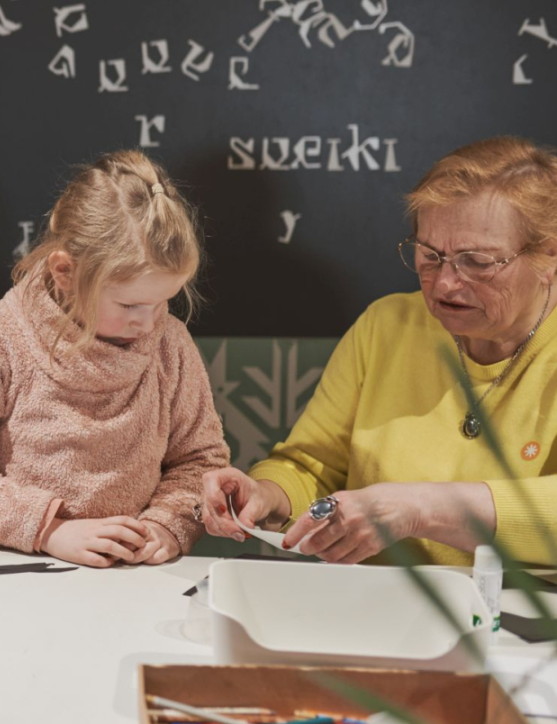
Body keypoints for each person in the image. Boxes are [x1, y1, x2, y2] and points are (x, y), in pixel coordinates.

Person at [202, 137, 557, 567]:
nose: (444, 283)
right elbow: (311, 467)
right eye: (429, 255)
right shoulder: (386, 327)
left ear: (549, 256)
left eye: (477, 261)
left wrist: (420, 509)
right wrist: (266, 496)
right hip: (374, 608)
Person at [0, 151, 230, 568]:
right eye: (130, 304)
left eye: (163, 302)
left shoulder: (170, 344)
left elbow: (200, 460)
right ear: (66, 272)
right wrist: (50, 530)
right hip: (17, 573)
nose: (150, 321)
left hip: (133, 578)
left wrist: (167, 526)